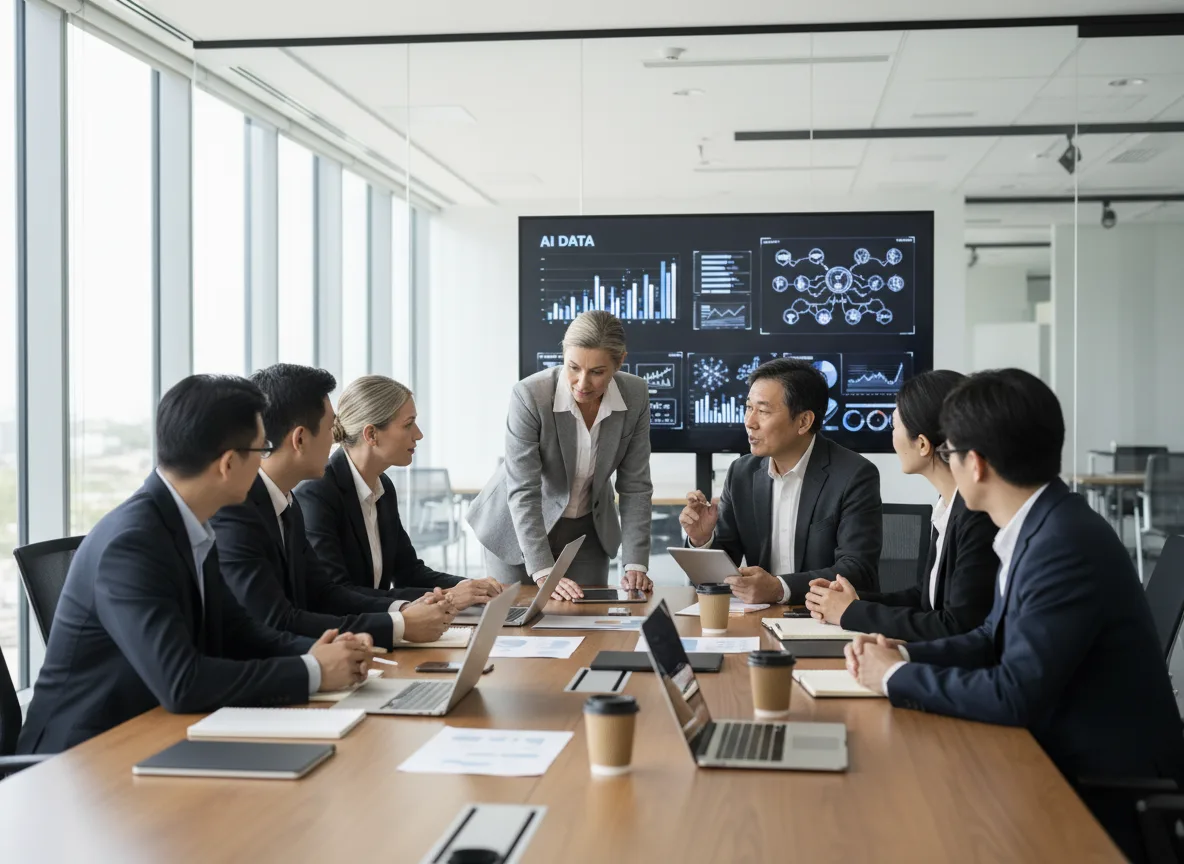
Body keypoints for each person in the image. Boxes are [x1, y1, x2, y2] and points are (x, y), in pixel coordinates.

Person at [845, 368, 1184, 861]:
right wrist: (904, 654)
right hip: (1062, 753)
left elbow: (1014, 693)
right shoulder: (1042, 523)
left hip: (1103, 788)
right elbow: (990, 636)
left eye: (951, 452)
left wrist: (894, 677)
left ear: (976, 464)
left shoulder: (1061, 544)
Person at [18, 375, 373, 755]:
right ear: (228, 463)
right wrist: (313, 671)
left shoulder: (188, 524)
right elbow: (182, 682)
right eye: (261, 449)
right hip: (78, 758)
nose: (264, 461)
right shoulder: (132, 543)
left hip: (154, 734)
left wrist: (323, 652)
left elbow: (238, 631)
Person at [212, 364, 459, 649]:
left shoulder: (286, 504)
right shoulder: (237, 512)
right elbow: (277, 620)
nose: (336, 438)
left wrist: (403, 612)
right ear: (300, 439)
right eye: (330, 428)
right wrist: (400, 624)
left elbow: (325, 594)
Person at [466, 310, 654, 601]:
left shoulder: (636, 394)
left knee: (589, 616)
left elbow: (636, 486)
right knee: (516, 617)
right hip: (517, 529)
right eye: (573, 367)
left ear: (619, 362)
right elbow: (524, 489)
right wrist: (543, 570)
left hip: (587, 530)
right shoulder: (530, 395)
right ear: (563, 355)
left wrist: (635, 563)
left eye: (597, 372)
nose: (582, 383)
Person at [804, 370, 998, 640]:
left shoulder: (976, 517)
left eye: (895, 426)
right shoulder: (948, 505)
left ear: (922, 444)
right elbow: (925, 598)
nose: (891, 437)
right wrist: (854, 601)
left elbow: (956, 625)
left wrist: (852, 612)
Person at [679, 358, 882, 605]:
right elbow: (720, 576)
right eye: (748, 407)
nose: (749, 422)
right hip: (760, 616)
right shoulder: (741, 473)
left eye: (763, 411)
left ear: (803, 421)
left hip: (824, 616)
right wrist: (702, 540)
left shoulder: (854, 475)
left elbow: (857, 571)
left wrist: (779, 588)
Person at [295, 374, 503, 610]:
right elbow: (338, 593)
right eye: (408, 424)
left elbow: (408, 572)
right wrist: (449, 596)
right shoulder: (317, 494)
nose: (418, 434)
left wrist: (472, 587)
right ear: (371, 434)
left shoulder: (382, 486)